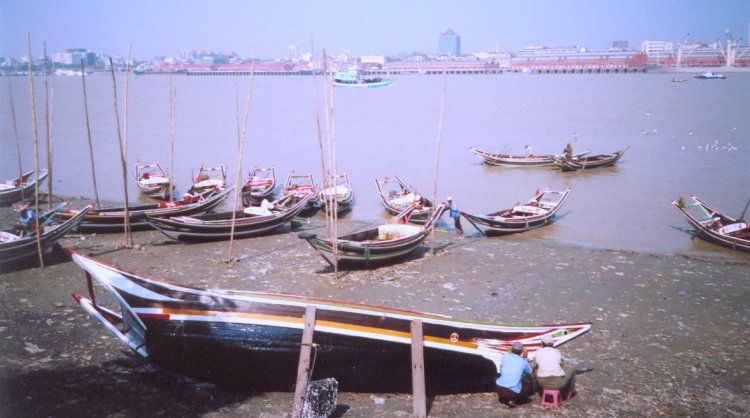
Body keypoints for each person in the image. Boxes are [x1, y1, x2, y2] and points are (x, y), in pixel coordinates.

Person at [533, 335, 577, 400]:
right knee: (572, 370)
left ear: (542, 343)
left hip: (543, 384)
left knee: (534, 369)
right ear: (553, 344)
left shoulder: (538, 352)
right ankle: (570, 392)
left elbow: (535, 365)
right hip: (559, 384)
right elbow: (561, 364)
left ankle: (535, 389)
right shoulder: (557, 352)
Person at [495, 341, 533, 407]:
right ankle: (512, 399)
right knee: (528, 386)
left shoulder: (505, 356)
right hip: (511, 393)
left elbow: (501, 370)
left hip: (499, 388)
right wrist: (525, 358)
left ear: (512, 349)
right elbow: (529, 371)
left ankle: (503, 398)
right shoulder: (522, 361)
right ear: (521, 352)